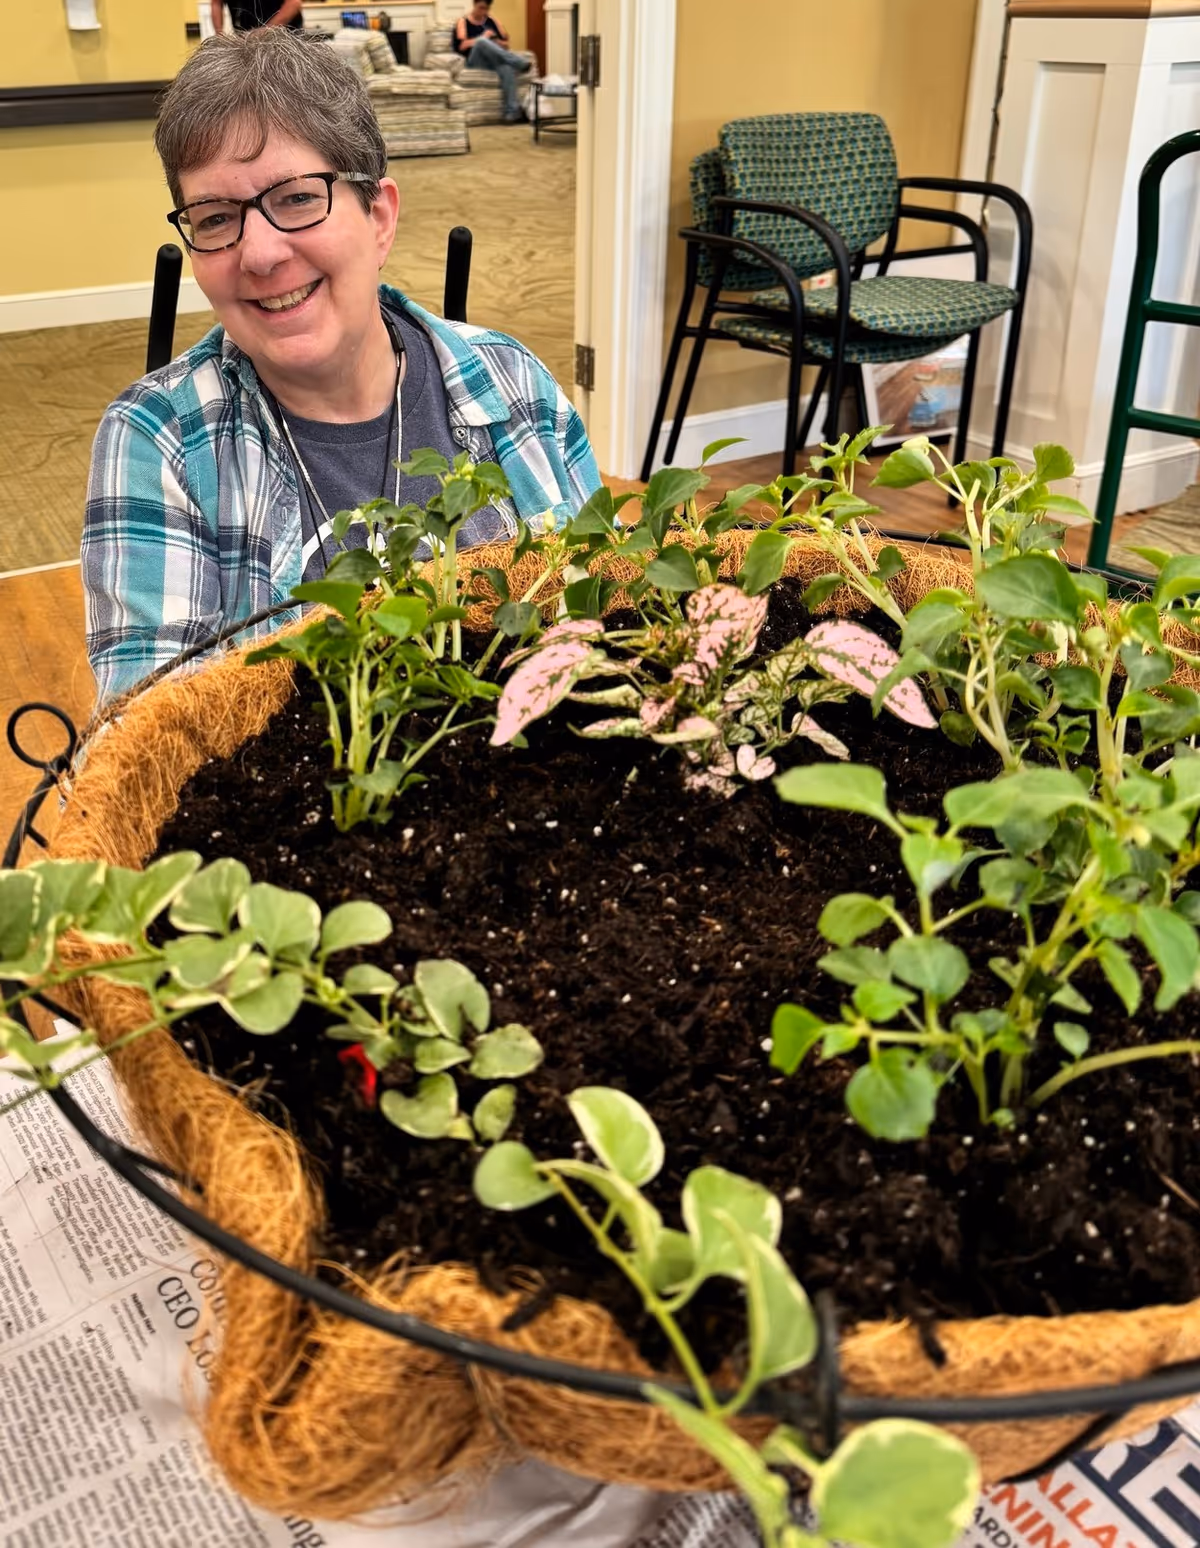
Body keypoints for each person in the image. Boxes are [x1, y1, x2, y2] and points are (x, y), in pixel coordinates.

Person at [82, 28, 599, 705]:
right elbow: (146, 739)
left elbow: (607, 614)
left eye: (297, 197)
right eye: (214, 218)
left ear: (379, 216)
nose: (259, 254)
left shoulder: (516, 384)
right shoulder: (160, 443)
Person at [453, 0, 531, 124]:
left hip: (493, 60)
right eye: (481, 8)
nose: (483, 12)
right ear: (474, 5)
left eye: (486, 9)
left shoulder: (492, 21)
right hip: (474, 60)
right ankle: (519, 62)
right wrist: (484, 37)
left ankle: (511, 113)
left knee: (506, 67)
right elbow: (462, 46)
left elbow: (506, 45)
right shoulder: (463, 21)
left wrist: (497, 43)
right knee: (481, 42)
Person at [210, 0, 303, 33]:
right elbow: (216, 3)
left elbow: (293, 4)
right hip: (246, 39)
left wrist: (263, 31)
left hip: (286, 38)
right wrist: (219, 35)